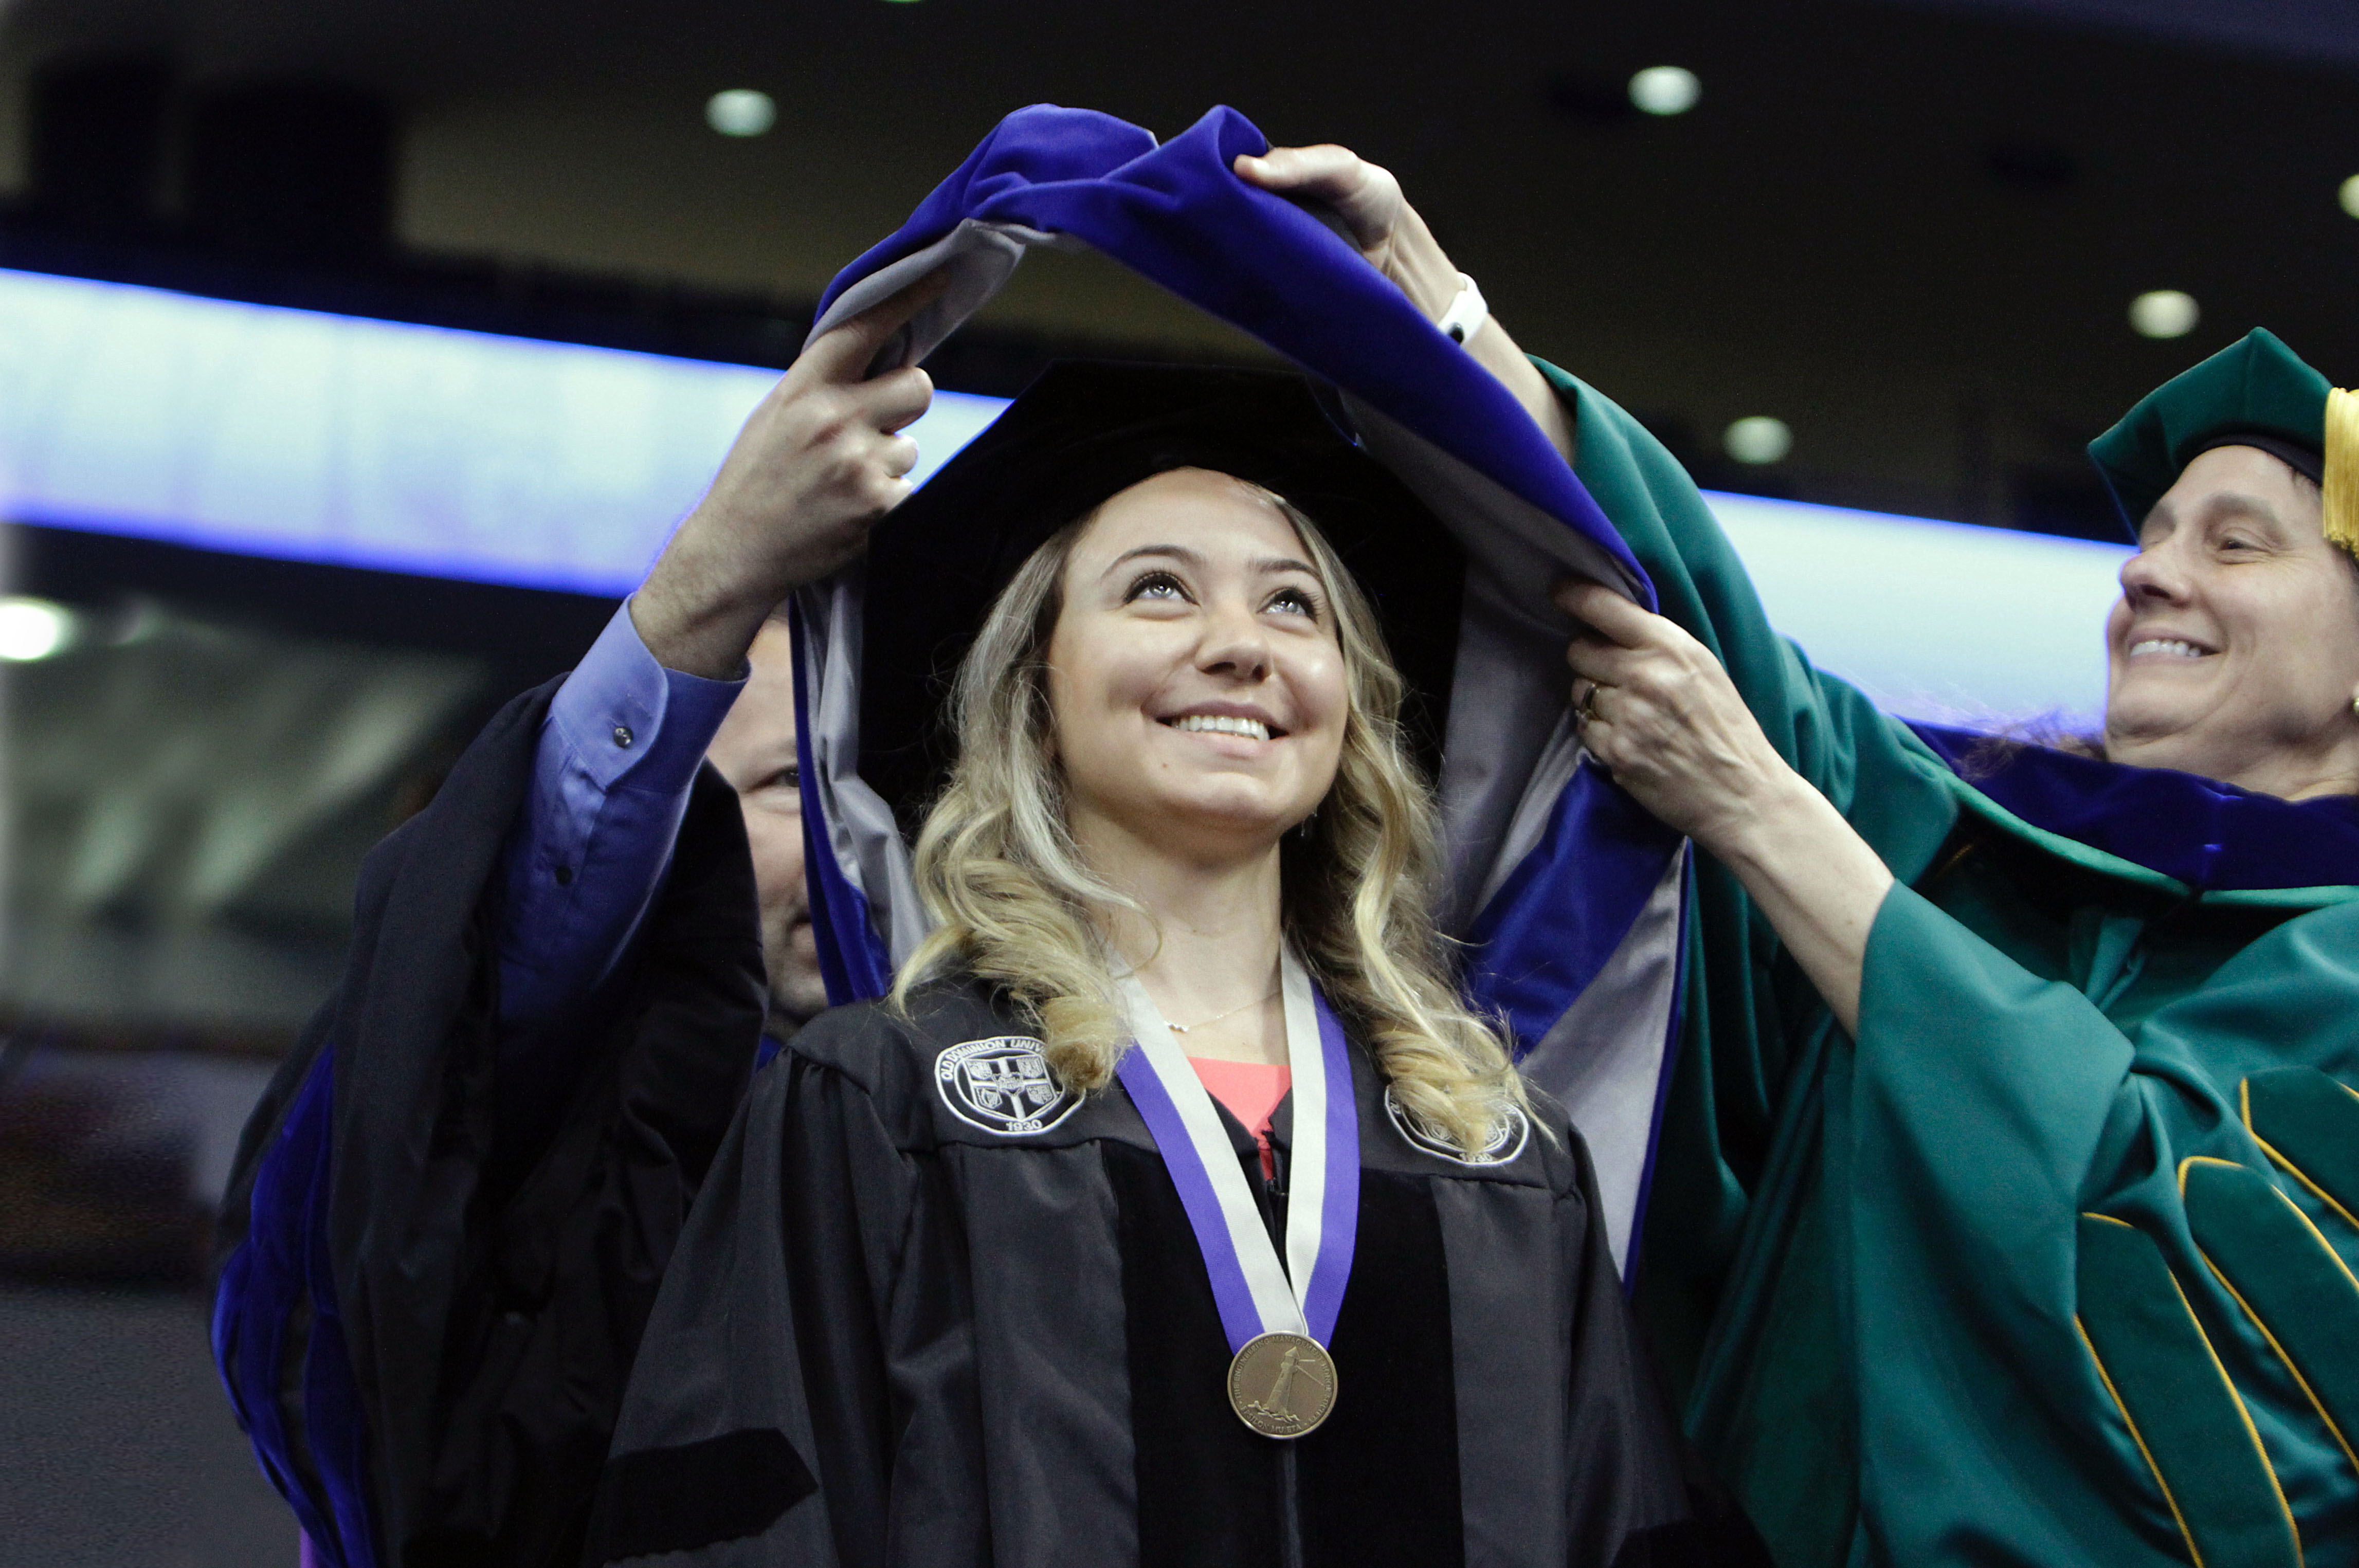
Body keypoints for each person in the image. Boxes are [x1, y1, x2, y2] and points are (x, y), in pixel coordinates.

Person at [1237, 148, 2359, 1565]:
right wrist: (1427, 307)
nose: (2146, 573)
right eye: (2146, 537)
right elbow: (1700, 628)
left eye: (2235, 544)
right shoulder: (1982, 854)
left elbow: (2150, 1293)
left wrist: (1764, 818)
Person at [586, 361, 1737, 1566]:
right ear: (1035, 690)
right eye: (1157, 591)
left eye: (1294, 606)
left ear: (1347, 702)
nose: (1239, 644)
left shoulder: (1493, 1146)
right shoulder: (882, 1103)